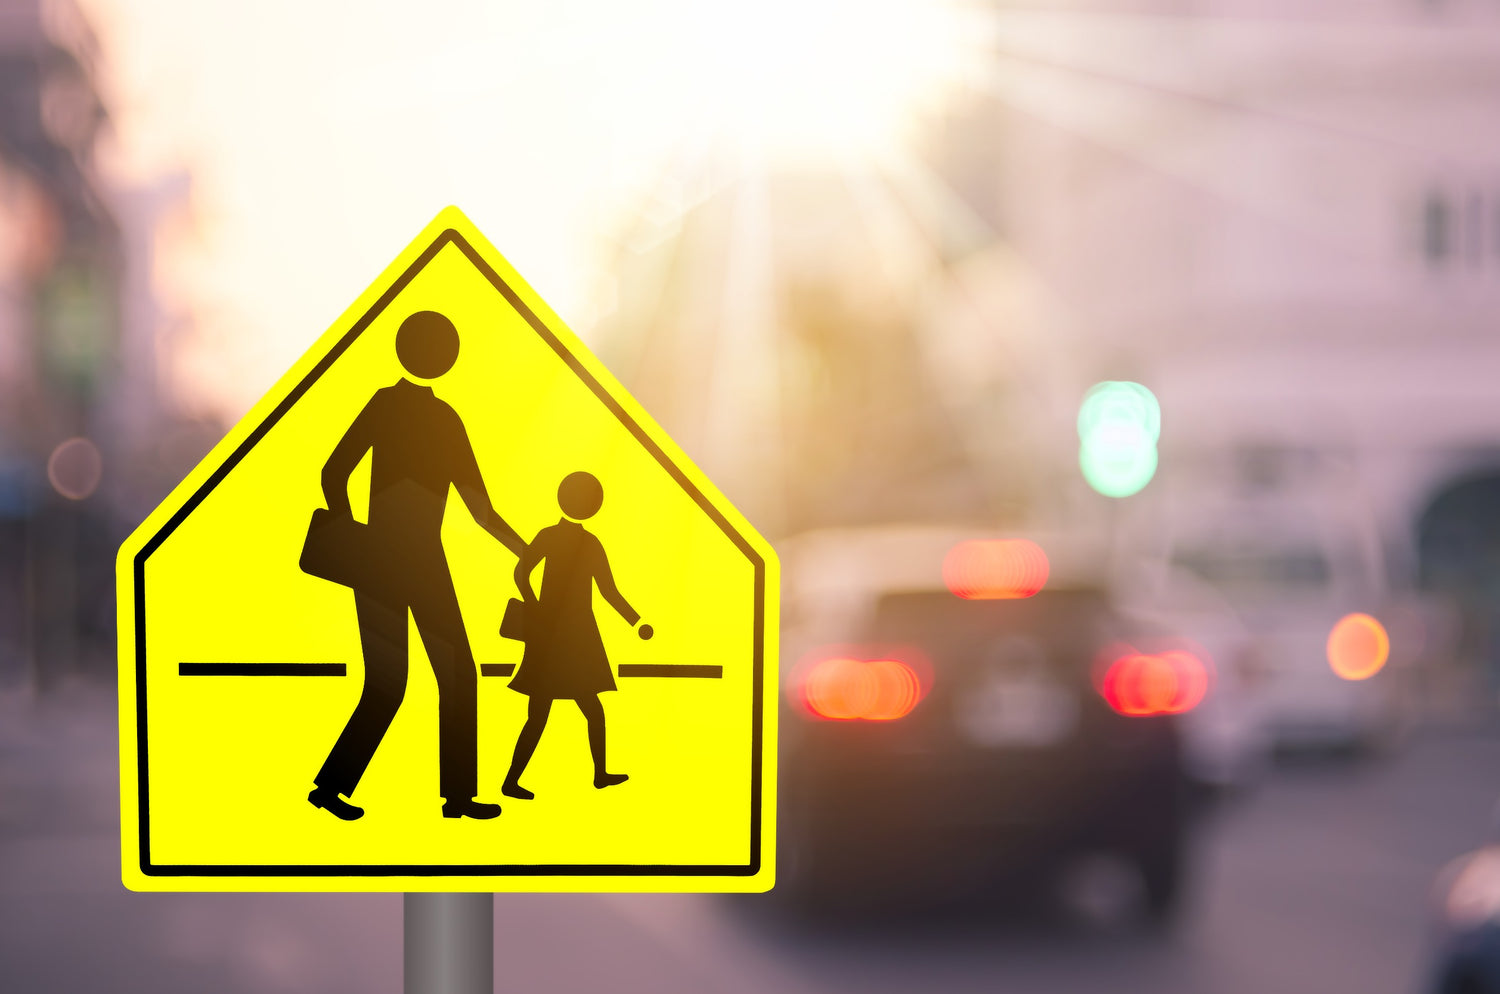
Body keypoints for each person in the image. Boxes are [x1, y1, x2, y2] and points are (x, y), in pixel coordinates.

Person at [307, 310, 524, 821]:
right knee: (444, 676)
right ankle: (454, 797)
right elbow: (481, 511)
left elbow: (334, 474)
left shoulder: (404, 409)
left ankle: (344, 789)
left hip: (391, 559)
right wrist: (526, 550)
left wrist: (354, 533)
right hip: (413, 560)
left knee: (399, 680)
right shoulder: (440, 417)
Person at [502, 471, 646, 799]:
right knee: (546, 714)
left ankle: (598, 774)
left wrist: (636, 621)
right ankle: (512, 780)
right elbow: (523, 572)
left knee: (572, 711)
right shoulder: (571, 540)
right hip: (563, 637)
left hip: (571, 637)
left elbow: (607, 590)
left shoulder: (568, 539)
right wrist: (535, 606)